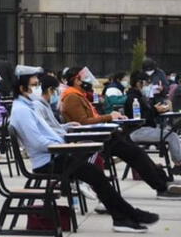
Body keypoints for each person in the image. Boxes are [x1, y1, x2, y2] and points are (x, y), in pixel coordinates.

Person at [9, 66, 159, 233]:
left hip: (55, 156)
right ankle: (127, 216)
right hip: (48, 161)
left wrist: (65, 132)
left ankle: (125, 216)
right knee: (95, 175)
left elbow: (48, 132)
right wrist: (64, 145)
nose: (38, 88)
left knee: (96, 174)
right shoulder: (22, 111)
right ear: (22, 88)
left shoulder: (27, 106)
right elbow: (38, 143)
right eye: (34, 85)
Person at [61, 67, 181, 200]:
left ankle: (163, 181)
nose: (88, 80)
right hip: (94, 138)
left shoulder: (79, 95)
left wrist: (111, 117)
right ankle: (161, 187)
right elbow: (83, 122)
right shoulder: (72, 97)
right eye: (84, 77)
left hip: (102, 134)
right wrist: (109, 117)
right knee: (135, 153)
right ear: (77, 80)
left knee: (137, 152)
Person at [124, 71, 181, 175]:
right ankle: (179, 164)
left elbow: (146, 113)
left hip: (144, 128)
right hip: (137, 131)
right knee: (171, 136)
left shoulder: (139, 97)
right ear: (138, 83)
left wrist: (156, 109)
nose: (148, 86)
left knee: (171, 133)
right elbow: (140, 118)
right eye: (146, 83)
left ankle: (178, 162)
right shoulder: (133, 98)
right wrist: (156, 110)